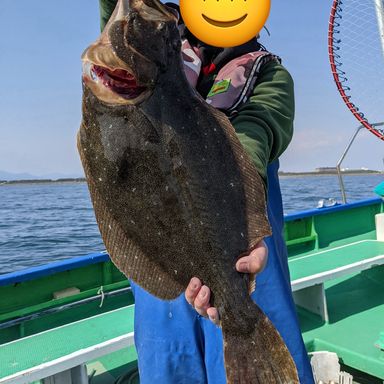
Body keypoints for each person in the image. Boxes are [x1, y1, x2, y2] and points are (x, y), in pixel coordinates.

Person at [98, 1, 315, 383]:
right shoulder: (148, 46)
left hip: (243, 264)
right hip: (164, 288)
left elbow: (249, 143)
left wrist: (239, 240)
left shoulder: (269, 76)